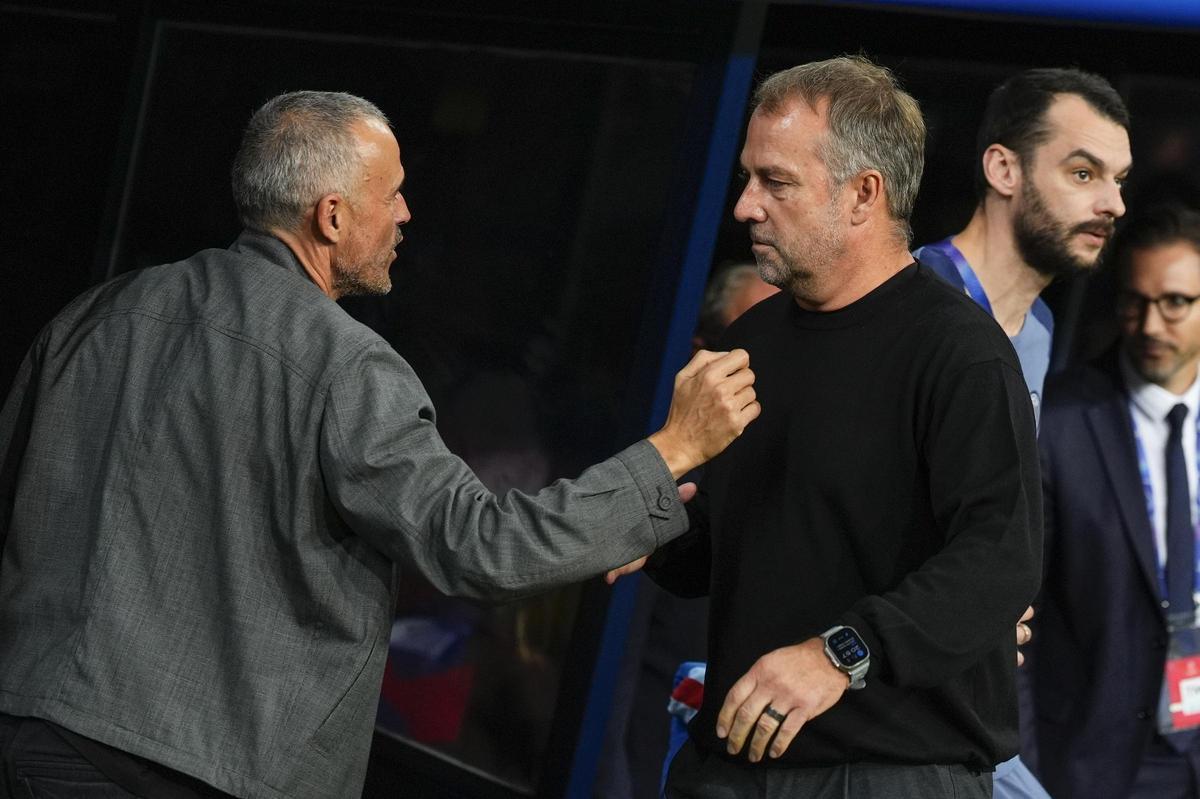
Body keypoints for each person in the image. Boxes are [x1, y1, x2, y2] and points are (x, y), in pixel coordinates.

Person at [0, 91, 760, 799]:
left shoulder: (97, 314)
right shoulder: (344, 365)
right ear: (331, 216)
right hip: (193, 771)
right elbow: (481, 546)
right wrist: (672, 449)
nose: (405, 213)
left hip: (30, 731)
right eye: (391, 193)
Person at [616, 56, 1042, 797]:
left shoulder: (959, 352)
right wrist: (646, 525)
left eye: (775, 182)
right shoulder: (752, 342)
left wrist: (840, 653)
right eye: (749, 179)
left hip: (891, 773)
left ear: (863, 194)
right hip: (730, 762)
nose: (746, 206)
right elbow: (719, 554)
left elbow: (998, 560)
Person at [912, 67, 1133, 797]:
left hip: (965, 716)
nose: (1113, 202)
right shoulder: (905, 309)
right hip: (869, 711)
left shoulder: (1036, 333)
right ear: (1002, 168)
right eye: (1083, 172)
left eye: (1119, 179)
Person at [1034, 203, 1200, 799]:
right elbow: (1014, 610)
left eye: (1176, 302)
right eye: (1136, 302)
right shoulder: (1060, 421)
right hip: (1085, 763)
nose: (1152, 325)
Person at [596, 264, 778, 799]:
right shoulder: (666, 471)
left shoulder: (788, 471)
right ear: (703, 352)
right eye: (748, 348)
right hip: (649, 767)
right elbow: (615, 665)